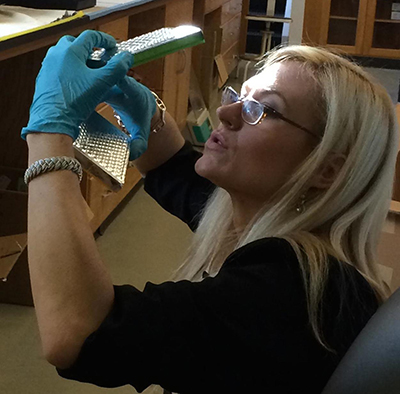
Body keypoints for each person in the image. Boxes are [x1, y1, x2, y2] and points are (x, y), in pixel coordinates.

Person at [21, 29, 398, 394]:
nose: (225, 112)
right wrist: (148, 112)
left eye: (261, 110)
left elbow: (81, 331)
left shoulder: (287, 295)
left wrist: (49, 131)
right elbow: (175, 170)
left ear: (325, 169)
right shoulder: (275, 223)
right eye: (239, 96)